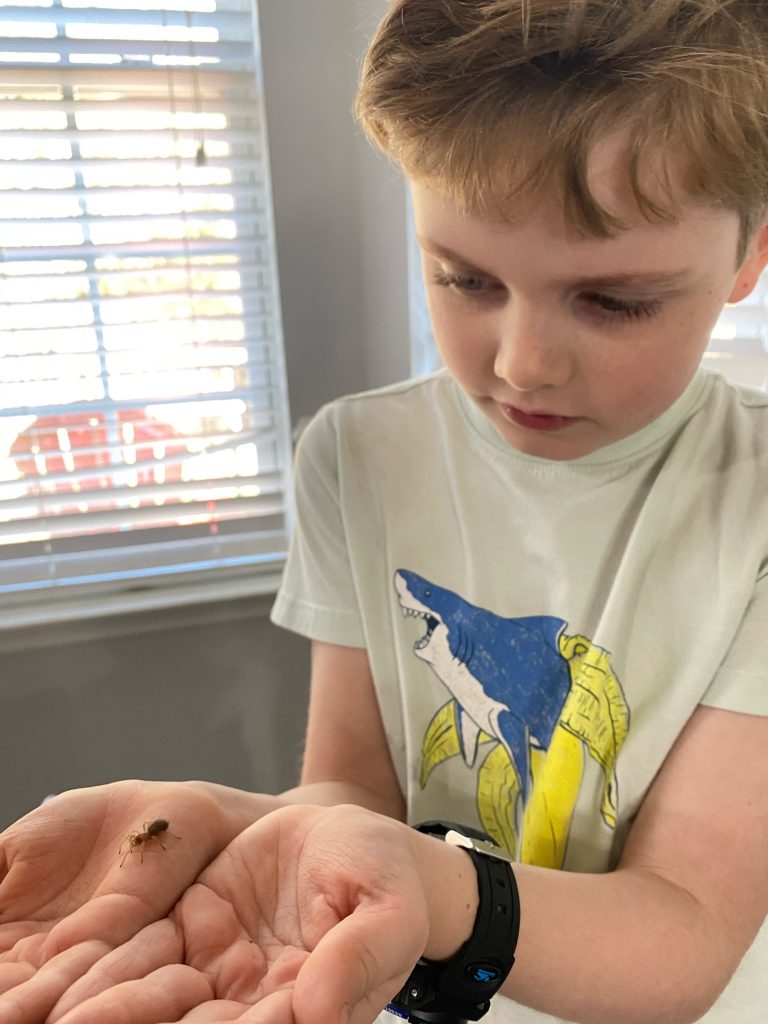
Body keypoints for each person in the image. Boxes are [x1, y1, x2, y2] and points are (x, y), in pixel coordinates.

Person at [1, 2, 767, 1022]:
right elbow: (350, 790)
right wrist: (247, 829)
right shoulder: (356, 455)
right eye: (464, 277)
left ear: (750, 254)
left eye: (615, 301)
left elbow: (685, 927)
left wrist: (429, 887)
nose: (520, 363)